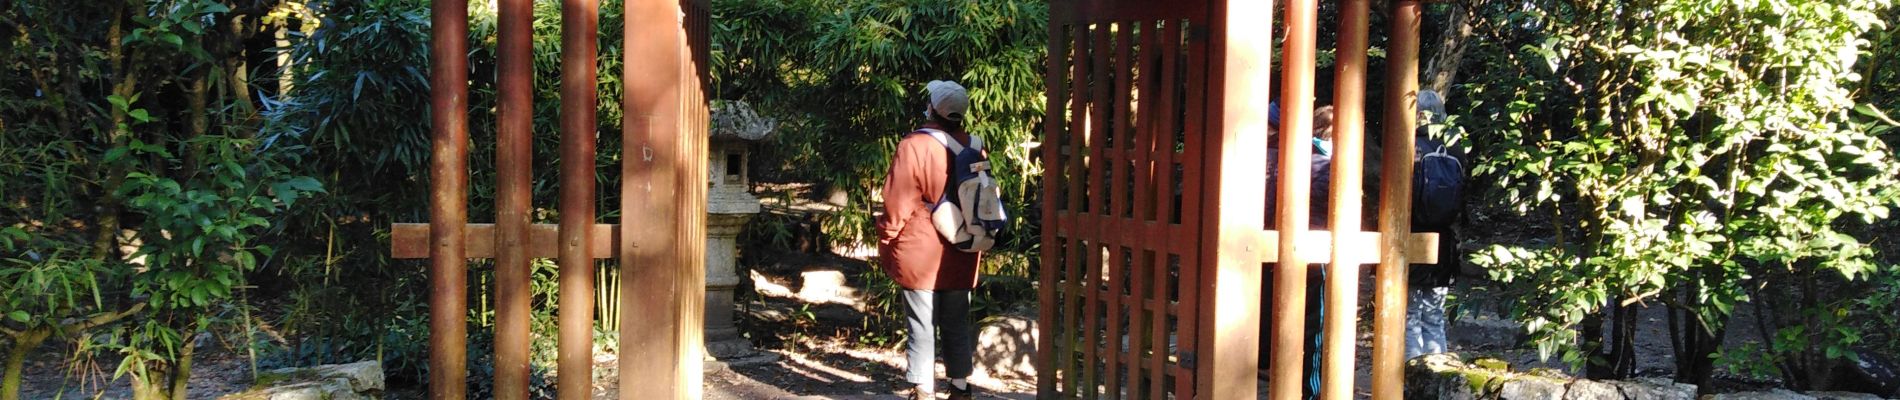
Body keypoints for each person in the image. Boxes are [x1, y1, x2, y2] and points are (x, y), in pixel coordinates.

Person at [877, 80, 983, 400]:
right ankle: (961, 388)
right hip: (964, 246)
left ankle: (924, 390)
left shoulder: (914, 145)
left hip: (920, 247)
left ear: (933, 108)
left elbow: (899, 200)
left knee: (922, 324)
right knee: (956, 320)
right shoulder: (975, 144)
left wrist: (887, 236)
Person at [1406, 89, 1461, 359]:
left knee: (1410, 316)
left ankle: (1410, 380)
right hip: (1444, 243)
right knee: (1434, 315)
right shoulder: (1457, 148)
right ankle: (1435, 380)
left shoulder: (1409, 147)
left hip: (1412, 236)